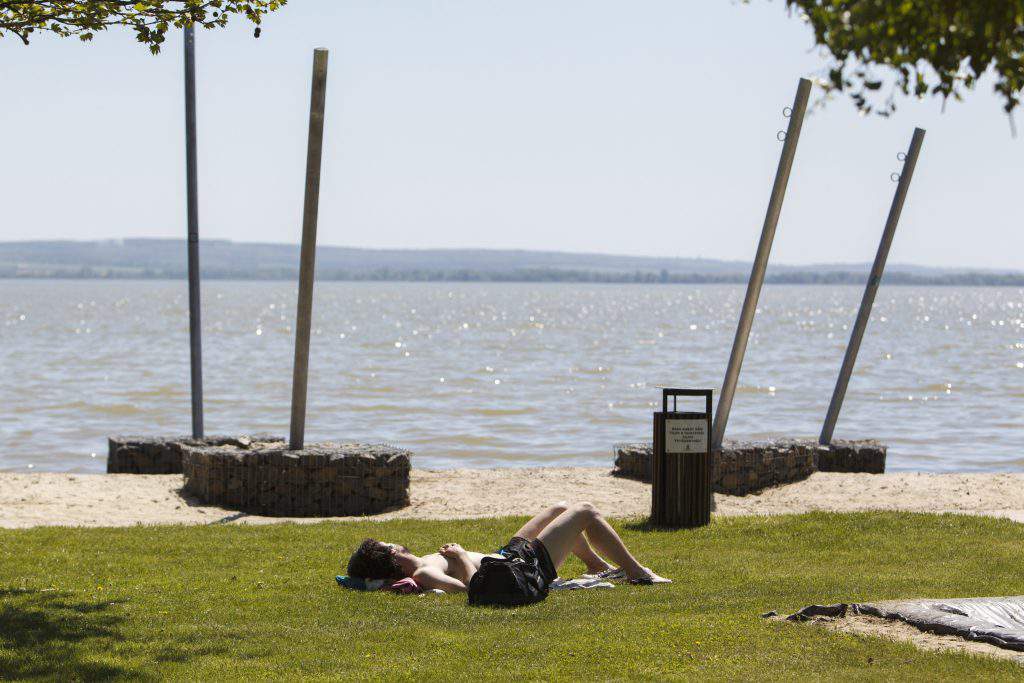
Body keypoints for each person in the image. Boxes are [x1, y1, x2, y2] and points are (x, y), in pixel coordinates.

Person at [345, 501, 670, 596]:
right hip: (518, 568)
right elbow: (470, 588)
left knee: (558, 509)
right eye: (390, 547)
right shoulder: (424, 570)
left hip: (506, 556)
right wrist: (459, 557)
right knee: (584, 512)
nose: (397, 544)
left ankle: (597, 567)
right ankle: (637, 572)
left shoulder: (424, 562)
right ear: (392, 560)